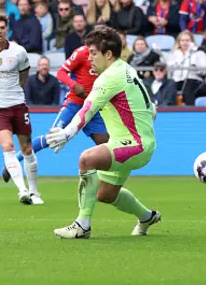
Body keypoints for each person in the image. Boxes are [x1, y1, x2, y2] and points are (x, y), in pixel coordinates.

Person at [47, 26, 160, 239]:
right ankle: (147, 217)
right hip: (134, 143)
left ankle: (82, 226)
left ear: (108, 54)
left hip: (135, 145)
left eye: (92, 53)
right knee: (105, 194)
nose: (88, 58)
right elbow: (150, 106)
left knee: (87, 159)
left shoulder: (110, 77)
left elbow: (86, 110)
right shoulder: (125, 69)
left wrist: (67, 133)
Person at [4, 44, 109, 182]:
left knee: (106, 145)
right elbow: (61, 73)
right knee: (51, 139)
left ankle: (104, 182)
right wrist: (74, 85)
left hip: (92, 107)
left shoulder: (106, 56)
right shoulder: (81, 52)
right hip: (74, 104)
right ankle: (14, 162)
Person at [0, 13, 42, 205]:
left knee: (27, 149)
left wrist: (13, 91)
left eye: (3, 28)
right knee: (7, 147)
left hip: (18, 105)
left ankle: (35, 191)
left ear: (7, 30)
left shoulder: (19, 52)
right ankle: (23, 191)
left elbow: (24, 75)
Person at [168, 31, 206, 106]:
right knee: (169, 85)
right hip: (177, 80)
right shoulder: (174, 53)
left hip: (194, 79)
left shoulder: (199, 53)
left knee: (188, 85)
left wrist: (195, 65)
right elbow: (170, 68)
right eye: (182, 40)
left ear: (192, 42)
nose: (185, 43)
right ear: (179, 42)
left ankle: (189, 109)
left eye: (187, 40)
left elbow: (204, 71)